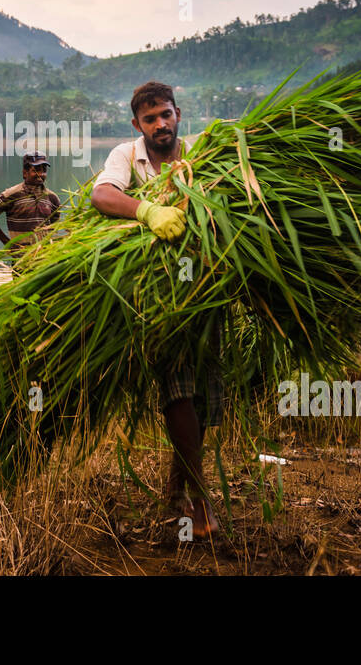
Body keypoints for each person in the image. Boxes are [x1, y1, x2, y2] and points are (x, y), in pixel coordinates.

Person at [90, 80, 223, 538]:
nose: (160, 124)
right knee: (178, 390)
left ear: (178, 113)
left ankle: (175, 488)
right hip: (156, 296)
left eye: (166, 114)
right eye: (150, 118)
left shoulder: (200, 154)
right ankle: (201, 500)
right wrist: (147, 211)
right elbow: (102, 196)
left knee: (203, 397)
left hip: (204, 288)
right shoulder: (126, 156)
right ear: (137, 124)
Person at [0, 152, 61, 264]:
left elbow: (54, 227)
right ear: (25, 173)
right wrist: (7, 243)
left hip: (46, 259)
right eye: (36, 170)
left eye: (44, 170)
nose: (41, 174)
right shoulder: (11, 195)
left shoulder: (52, 198)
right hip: (21, 260)